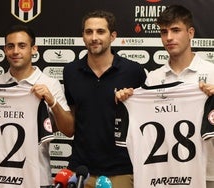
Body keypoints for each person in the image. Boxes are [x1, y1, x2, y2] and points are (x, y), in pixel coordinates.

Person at [0, 24, 74, 187]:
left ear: (34, 49)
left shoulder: (50, 84)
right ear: (5, 50)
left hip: (36, 179)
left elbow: (69, 130)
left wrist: (52, 101)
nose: (15, 51)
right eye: (10, 46)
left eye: (22, 45)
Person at [116, 4, 214, 188]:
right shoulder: (153, 78)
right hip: (164, 175)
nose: (169, 37)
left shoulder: (212, 72)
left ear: (190, 33)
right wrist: (126, 101)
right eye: (163, 32)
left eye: (176, 30)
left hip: (208, 175)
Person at [61, 10, 146, 188]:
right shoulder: (70, 72)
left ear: (112, 36)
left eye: (100, 31)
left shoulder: (133, 71)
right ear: (83, 36)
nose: (94, 37)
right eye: (88, 32)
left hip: (121, 170)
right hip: (81, 170)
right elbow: (74, 116)